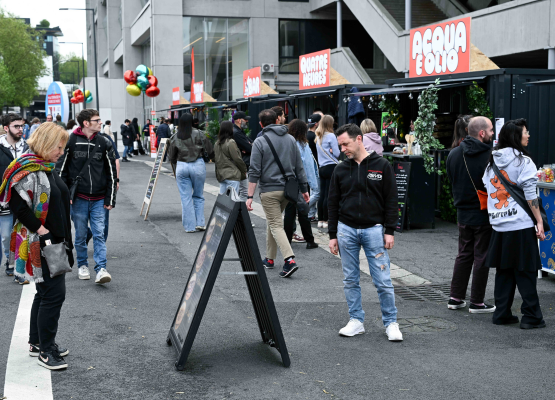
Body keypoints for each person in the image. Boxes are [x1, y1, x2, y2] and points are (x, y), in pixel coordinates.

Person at [1, 122, 73, 370]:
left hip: (53, 239)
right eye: (59, 147)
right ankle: (45, 350)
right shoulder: (27, 167)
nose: (61, 152)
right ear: (47, 144)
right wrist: (43, 233)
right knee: (54, 295)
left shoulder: (46, 166)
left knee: (44, 294)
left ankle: (37, 343)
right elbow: (17, 206)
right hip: (41, 241)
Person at [328, 123, 402, 341]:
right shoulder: (340, 168)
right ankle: (356, 320)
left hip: (374, 230)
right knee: (350, 279)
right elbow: (332, 203)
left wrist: (390, 230)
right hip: (346, 229)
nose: (342, 149)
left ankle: (391, 323)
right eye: (340, 145)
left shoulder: (382, 165)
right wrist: (332, 235)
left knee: (383, 280)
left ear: (358, 139)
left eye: (345, 144)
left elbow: (391, 199)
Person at [483, 120, 546, 329]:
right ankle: (531, 317)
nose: (528, 136)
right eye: (526, 133)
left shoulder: (491, 161)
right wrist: (539, 221)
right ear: (516, 136)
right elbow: (530, 195)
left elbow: (486, 187)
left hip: (499, 225)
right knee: (526, 271)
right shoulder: (523, 161)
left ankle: (501, 313)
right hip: (520, 223)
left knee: (504, 271)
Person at [57, 109, 117, 285]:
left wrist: (110, 198)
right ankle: (82, 265)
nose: (101, 122)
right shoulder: (70, 141)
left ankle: (101, 269)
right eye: (97, 120)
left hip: (99, 199)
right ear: (86, 123)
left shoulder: (104, 142)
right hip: (79, 199)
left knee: (99, 233)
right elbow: (61, 171)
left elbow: (111, 172)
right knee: (81, 235)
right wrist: (64, 196)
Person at [246, 109, 309, 278]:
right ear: (277, 120)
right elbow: (299, 167)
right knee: (272, 221)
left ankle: (289, 260)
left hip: (269, 190)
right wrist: (304, 189)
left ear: (261, 124)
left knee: (275, 224)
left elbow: (254, 171)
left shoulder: (259, 141)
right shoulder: (290, 139)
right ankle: (270, 258)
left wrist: (249, 196)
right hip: (288, 191)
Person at [446, 116, 495, 314]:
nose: (493, 133)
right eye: (491, 130)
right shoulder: (490, 155)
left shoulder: (454, 154)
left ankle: (455, 297)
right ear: (481, 133)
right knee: (481, 255)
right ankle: (477, 301)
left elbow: (452, 179)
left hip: (462, 211)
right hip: (483, 211)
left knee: (464, 253)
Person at [167, 113, 214, 233]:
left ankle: (189, 227)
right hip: (198, 164)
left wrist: (175, 165)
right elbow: (210, 150)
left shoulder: (175, 136)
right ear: (192, 121)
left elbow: (171, 156)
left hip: (181, 165)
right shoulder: (199, 133)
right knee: (198, 195)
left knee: (185, 197)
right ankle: (200, 223)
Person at [0, 113, 30, 283]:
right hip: (3, 200)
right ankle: (9, 262)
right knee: (6, 236)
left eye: (22, 126)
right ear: (6, 128)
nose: (21, 129)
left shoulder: (27, 147)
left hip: (24, 199)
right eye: (16, 126)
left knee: (22, 234)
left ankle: (18, 269)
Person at [283, 119, 318, 249]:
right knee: (304, 211)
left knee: (289, 211)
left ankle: (286, 239)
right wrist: (312, 184)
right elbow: (307, 165)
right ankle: (310, 240)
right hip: (301, 181)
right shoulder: (303, 144)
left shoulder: (287, 143)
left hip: (289, 181)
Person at [316, 115, 340, 229]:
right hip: (331, 167)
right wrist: (332, 150)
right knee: (329, 195)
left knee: (322, 194)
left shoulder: (319, 136)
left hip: (322, 167)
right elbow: (337, 153)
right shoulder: (331, 136)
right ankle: (326, 220)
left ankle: (320, 219)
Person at [214, 120, 247, 197]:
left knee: (222, 200)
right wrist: (244, 169)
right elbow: (237, 159)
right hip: (232, 174)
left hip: (222, 175)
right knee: (232, 200)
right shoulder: (230, 142)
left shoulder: (217, 143)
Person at [232, 111, 253, 201]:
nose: (247, 121)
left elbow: (252, 144)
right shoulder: (236, 133)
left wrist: (249, 145)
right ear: (239, 120)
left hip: (240, 165)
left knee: (241, 191)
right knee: (243, 191)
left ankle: (239, 212)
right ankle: (240, 213)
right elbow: (250, 148)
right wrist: (248, 146)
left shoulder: (240, 131)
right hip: (240, 165)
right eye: (245, 119)